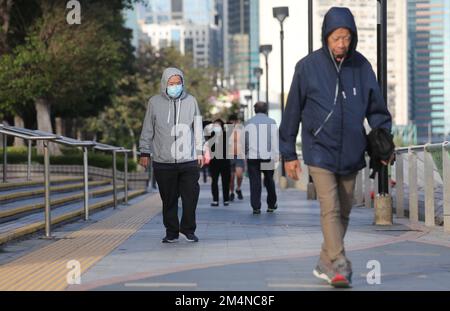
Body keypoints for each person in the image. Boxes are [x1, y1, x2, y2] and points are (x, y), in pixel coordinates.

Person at [279, 7, 394, 288]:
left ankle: (324, 262)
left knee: (343, 211)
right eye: (336, 38)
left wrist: (383, 141)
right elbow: (292, 112)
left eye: (346, 38)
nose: (342, 43)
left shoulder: (362, 67)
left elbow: (376, 109)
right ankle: (340, 263)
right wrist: (289, 154)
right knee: (329, 208)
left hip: (352, 151)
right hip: (319, 149)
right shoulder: (307, 67)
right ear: (326, 37)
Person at [139, 67, 204, 244]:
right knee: (168, 200)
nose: (175, 86)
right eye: (171, 83)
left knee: (191, 197)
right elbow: (148, 129)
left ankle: (188, 230)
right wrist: (144, 151)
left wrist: (200, 150)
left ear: (183, 83)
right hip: (163, 160)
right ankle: (172, 232)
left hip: (188, 159)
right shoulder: (154, 102)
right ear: (164, 84)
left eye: (178, 83)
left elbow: (197, 127)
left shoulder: (191, 101)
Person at [245, 102, 279, 215]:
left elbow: (245, 140)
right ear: (266, 110)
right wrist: (276, 155)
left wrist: (246, 153)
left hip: (253, 157)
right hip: (267, 157)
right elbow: (275, 140)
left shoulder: (248, 123)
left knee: (255, 182)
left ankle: (256, 207)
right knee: (269, 180)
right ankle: (271, 205)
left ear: (255, 110)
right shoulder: (272, 122)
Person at [207, 119, 231, 207]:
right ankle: (215, 200)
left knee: (225, 181)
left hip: (225, 161)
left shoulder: (226, 135)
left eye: (218, 125)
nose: (216, 127)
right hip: (214, 161)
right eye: (215, 125)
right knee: (214, 181)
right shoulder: (211, 135)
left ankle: (226, 199)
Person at [228, 115, 245, 201]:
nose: (233, 123)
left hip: (239, 155)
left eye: (234, 122)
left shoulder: (241, 131)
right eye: (231, 122)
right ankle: (231, 192)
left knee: (239, 175)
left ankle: (238, 188)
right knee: (231, 177)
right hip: (229, 156)